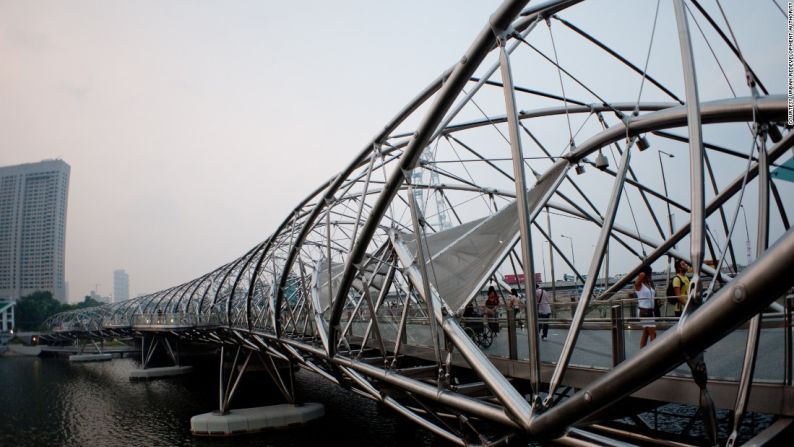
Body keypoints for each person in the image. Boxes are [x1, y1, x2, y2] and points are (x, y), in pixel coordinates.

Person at [635, 265, 656, 348]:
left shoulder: (649, 284)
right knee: (653, 334)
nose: (650, 275)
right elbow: (641, 275)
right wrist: (644, 271)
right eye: (649, 274)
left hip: (650, 311)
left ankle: (642, 352)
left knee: (646, 333)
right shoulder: (639, 285)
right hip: (645, 312)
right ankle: (652, 354)